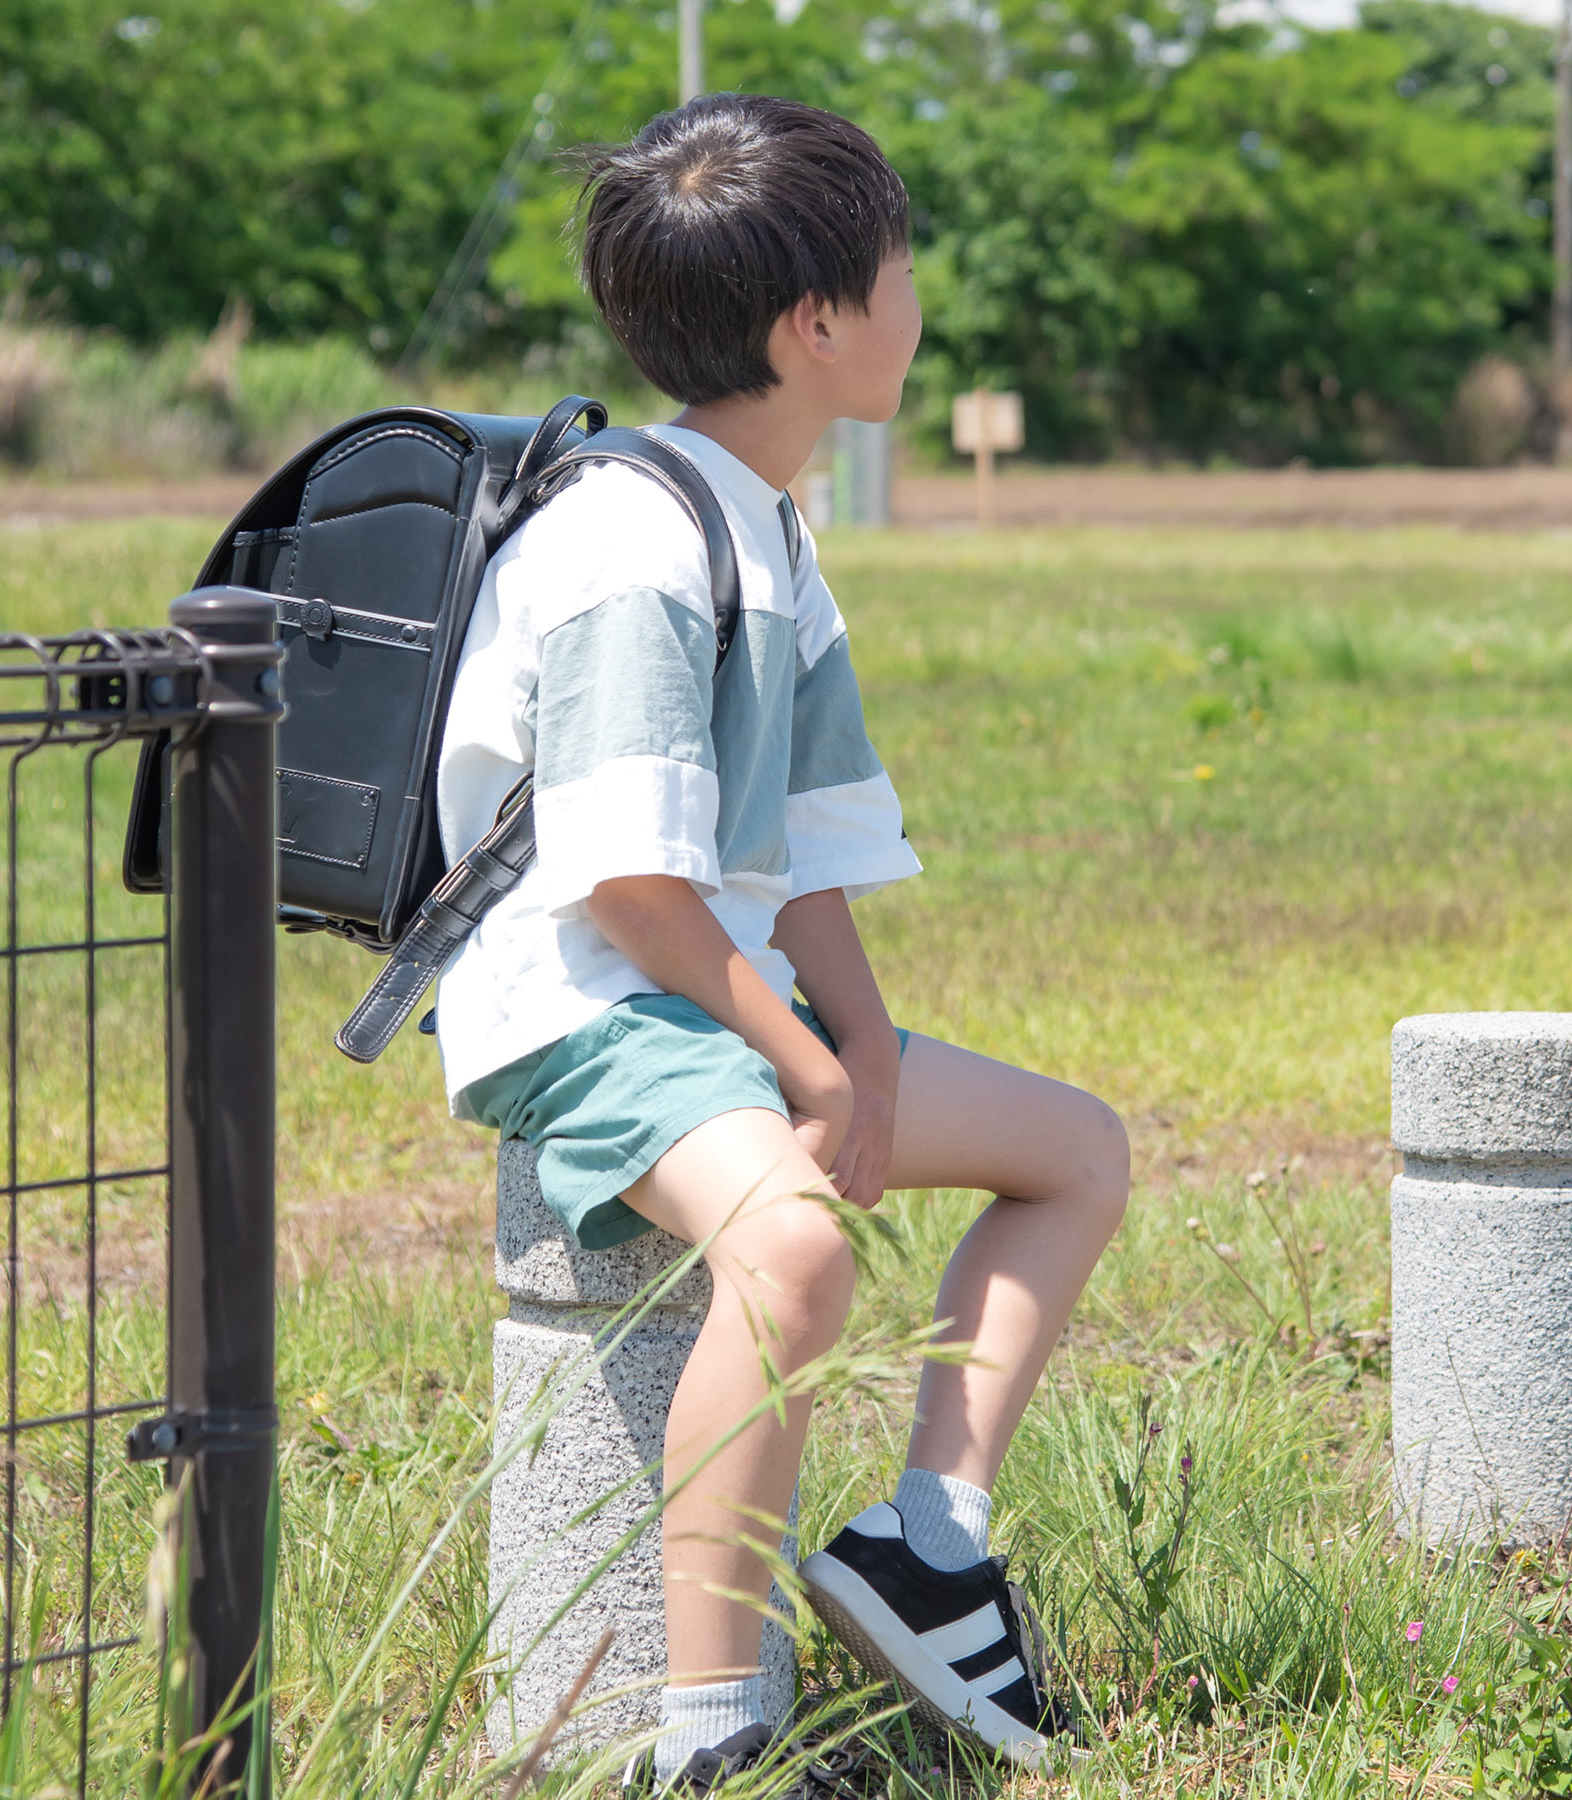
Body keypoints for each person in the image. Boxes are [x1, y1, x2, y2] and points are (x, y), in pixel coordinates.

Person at [431, 93, 1127, 1787]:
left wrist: (867, 1047)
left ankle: (927, 1544)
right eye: (898, 268)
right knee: (800, 1250)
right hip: (583, 1001)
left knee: (1074, 1153)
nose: (915, 297)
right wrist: (814, 1074)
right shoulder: (629, 544)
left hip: (708, 987)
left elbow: (801, 852)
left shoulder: (769, 527)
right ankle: (710, 1730)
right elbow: (628, 888)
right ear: (817, 324)